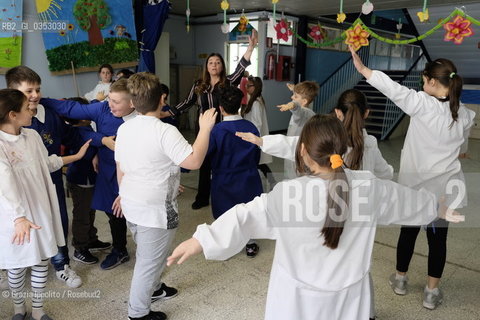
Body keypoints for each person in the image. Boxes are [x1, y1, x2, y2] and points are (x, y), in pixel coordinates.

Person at [167, 114, 463, 320]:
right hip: (349, 297)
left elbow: (246, 215)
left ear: (303, 152)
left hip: (295, 298)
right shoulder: (368, 186)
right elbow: (406, 200)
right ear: (344, 150)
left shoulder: (288, 194)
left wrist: (201, 240)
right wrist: (436, 208)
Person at [237, 88, 393, 318]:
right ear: (366, 113)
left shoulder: (330, 143)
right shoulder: (369, 144)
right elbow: (386, 174)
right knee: (357, 265)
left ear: (337, 113)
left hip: (323, 216)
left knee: (321, 258)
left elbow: (297, 146)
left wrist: (262, 141)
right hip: (356, 221)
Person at [350, 46, 475, 310]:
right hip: (446, 189)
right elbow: (463, 149)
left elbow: (393, 89)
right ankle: (431, 293)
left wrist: (363, 70)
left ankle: (400, 280)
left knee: (408, 232)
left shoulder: (422, 104)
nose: (422, 85)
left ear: (431, 81)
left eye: (424, 81)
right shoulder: (463, 113)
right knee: (438, 240)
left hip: (416, 188)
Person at [114, 72, 217, 320]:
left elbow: (122, 168)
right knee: (148, 262)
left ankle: (156, 289)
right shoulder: (164, 131)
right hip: (155, 210)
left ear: (133, 102)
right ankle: (137, 313)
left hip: (131, 202)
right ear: (162, 98)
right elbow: (193, 161)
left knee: (151, 252)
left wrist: (123, 194)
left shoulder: (125, 128)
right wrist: (204, 129)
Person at [0, 89, 90, 320]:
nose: (32, 107)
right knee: (17, 265)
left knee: (42, 260)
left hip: (40, 209)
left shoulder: (32, 136)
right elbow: (5, 182)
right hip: (14, 216)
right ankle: (19, 308)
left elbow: (48, 163)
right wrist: (19, 217)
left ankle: (39, 310)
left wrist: (76, 157)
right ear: (12, 114)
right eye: (25, 106)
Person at [5, 66, 97, 288]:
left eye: (38, 89)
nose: (35, 95)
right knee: (12, 225)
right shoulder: (6, 121)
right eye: (29, 91)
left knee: (55, 221)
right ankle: (11, 266)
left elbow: (74, 135)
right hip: (14, 189)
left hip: (49, 182)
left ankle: (61, 263)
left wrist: (95, 150)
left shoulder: (51, 115)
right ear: (13, 93)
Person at [40, 79, 137, 270]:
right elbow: (70, 108)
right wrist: (40, 99)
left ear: (132, 103)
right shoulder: (102, 109)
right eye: (109, 99)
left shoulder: (143, 116)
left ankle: (147, 251)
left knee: (139, 215)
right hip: (109, 171)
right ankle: (119, 249)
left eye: (116, 102)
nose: (110, 105)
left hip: (137, 172)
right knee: (114, 212)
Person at [165, 30, 258, 210]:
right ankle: (202, 197)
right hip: (205, 130)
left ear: (222, 66)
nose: (214, 65)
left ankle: (226, 195)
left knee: (223, 162)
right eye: (211, 62)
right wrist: (168, 112)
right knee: (204, 162)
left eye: (217, 62)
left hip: (224, 129)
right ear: (206, 66)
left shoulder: (229, 82)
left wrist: (251, 47)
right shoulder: (199, 85)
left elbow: (241, 66)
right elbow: (187, 102)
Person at [209, 86, 263, 257]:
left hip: (223, 176)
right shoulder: (250, 126)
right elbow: (257, 152)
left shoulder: (217, 130)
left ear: (221, 108)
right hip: (248, 175)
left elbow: (209, 152)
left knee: (225, 211)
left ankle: (228, 244)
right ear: (240, 106)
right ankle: (250, 243)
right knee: (249, 209)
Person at [63, 97, 112, 265]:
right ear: (81, 116)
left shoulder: (86, 125)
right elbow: (93, 141)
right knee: (82, 215)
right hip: (80, 181)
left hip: (90, 180)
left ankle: (91, 239)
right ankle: (80, 247)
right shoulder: (77, 131)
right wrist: (103, 143)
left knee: (90, 212)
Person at [277, 81, 319, 179]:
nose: (292, 97)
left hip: (297, 155)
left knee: (294, 178)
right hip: (296, 152)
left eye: (295, 96)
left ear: (304, 101)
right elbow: (300, 102)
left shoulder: (304, 113)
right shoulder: (309, 112)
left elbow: (298, 110)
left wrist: (292, 105)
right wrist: (295, 90)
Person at [241, 76, 276, 189]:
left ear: (255, 87)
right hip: (254, 137)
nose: (246, 87)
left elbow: (257, 123)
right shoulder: (255, 100)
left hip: (255, 137)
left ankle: (271, 182)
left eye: (249, 85)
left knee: (258, 163)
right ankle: (272, 182)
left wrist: (252, 138)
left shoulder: (256, 103)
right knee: (259, 163)